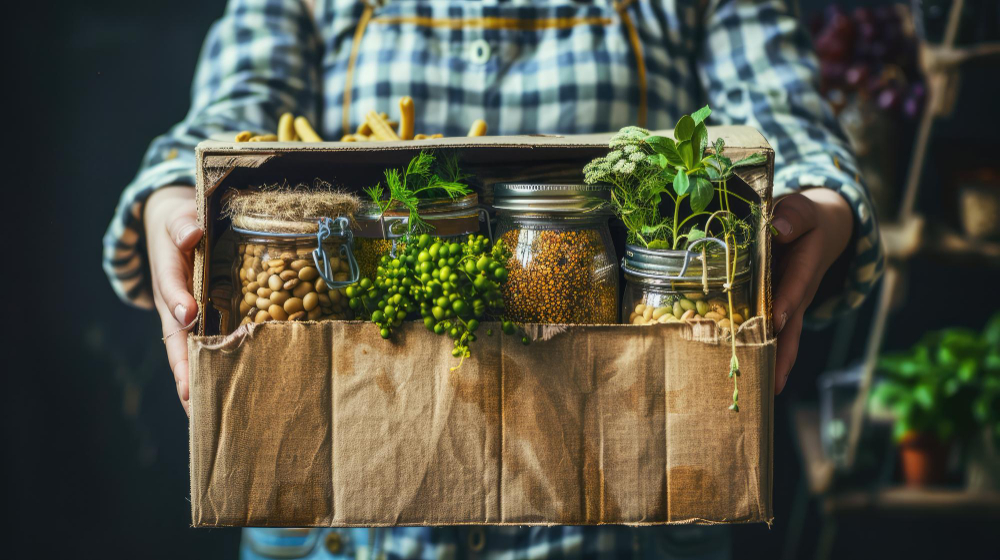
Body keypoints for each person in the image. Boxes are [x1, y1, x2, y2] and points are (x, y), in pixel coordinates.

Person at [103, 0, 884, 558]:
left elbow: (781, 114)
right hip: (345, 526)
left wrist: (819, 201)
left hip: (618, 515)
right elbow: (232, 113)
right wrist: (175, 195)